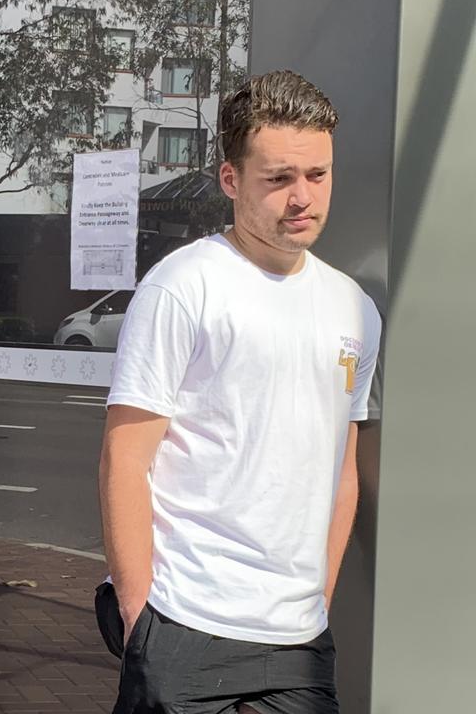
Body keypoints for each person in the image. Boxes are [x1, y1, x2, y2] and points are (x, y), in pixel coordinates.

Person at [97, 70, 381, 713]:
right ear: (231, 180)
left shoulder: (355, 310)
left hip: (299, 639)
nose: (302, 197)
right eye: (278, 178)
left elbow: (342, 472)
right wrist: (141, 614)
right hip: (184, 622)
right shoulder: (184, 287)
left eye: (317, 174)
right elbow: (125, 458)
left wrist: (319, 595)